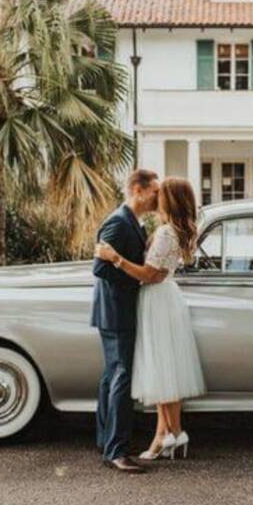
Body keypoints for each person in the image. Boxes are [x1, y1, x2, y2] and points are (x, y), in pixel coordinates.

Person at [95, 177, 207, 461]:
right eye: (155, 192)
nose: (157, 198)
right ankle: (166, 435)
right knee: (164, 368)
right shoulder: (170, 230)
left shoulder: (166, 232)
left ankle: (173, 433)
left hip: (157, 298)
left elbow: (150, 274)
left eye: (161, 193)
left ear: (170, 199)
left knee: (161, 367)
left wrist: (115, 258)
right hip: (164, 297)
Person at [91, 169, 160, 474]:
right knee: (121, 378)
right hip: (117, 310)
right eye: (154, 191)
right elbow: (100, 268)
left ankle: (106, 442)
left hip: (117, 310)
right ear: (137, 189)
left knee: (111, 377)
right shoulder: (118, 222)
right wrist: (137, 280)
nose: (157, 197)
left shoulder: (133, 222)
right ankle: (116, 451)